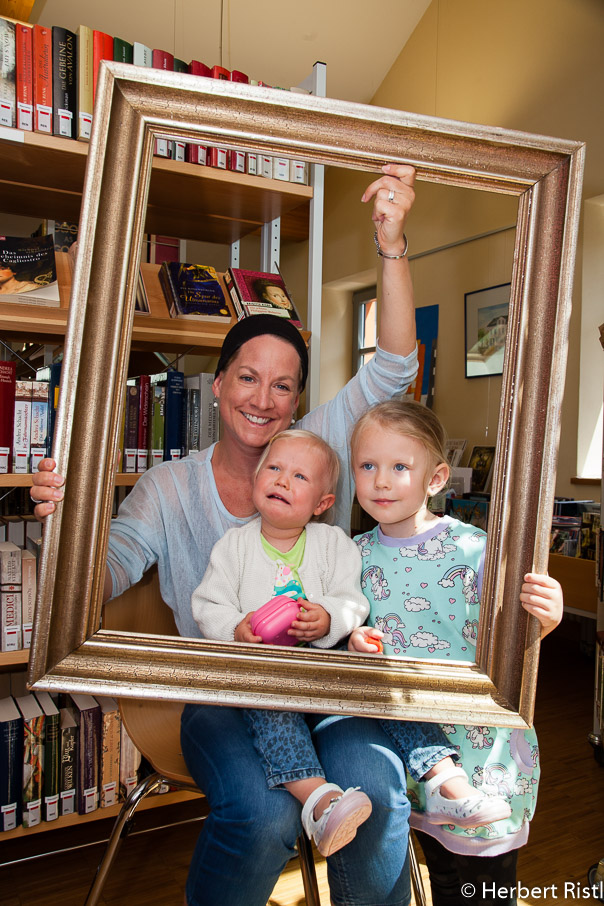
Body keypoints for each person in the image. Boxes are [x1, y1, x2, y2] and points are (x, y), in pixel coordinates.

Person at [31, 163, 425, 906]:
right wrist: (66, 531)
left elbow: (396, 365)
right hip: (217, 694)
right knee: (262, 811)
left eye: (283, 386)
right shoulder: (168, 488)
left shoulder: (322, 440)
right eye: (247, 378)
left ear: (301, 402)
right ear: (216, 385)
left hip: (323, 684)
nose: (264, 400)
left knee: (379, 791)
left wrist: (392, 241)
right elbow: (105, 572)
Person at [193, 427, 511, 857]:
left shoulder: (334, 544)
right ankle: (320, 802)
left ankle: (442, 778)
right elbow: (208, 604)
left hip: (328, 676)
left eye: (300, 477)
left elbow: (352, 599)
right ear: (255, 480)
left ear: (323, 504)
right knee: (272, 712)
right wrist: (235, 627)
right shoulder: (232, 548)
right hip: (266, 677)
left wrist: (327, 618)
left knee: (385, 684)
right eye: (274, 468)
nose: (283, 480)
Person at [347, 398, 563, 906]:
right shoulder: (351, 555)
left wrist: (547, 618)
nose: (381, 481)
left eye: (400, 467)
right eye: (368, 466)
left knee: (481, 888)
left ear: (436, 478)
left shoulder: (476, 550)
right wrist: (352, 637)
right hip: (410, 752)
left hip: (480, 750)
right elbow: (347, 626)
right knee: (439, 872)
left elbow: (515, 635)